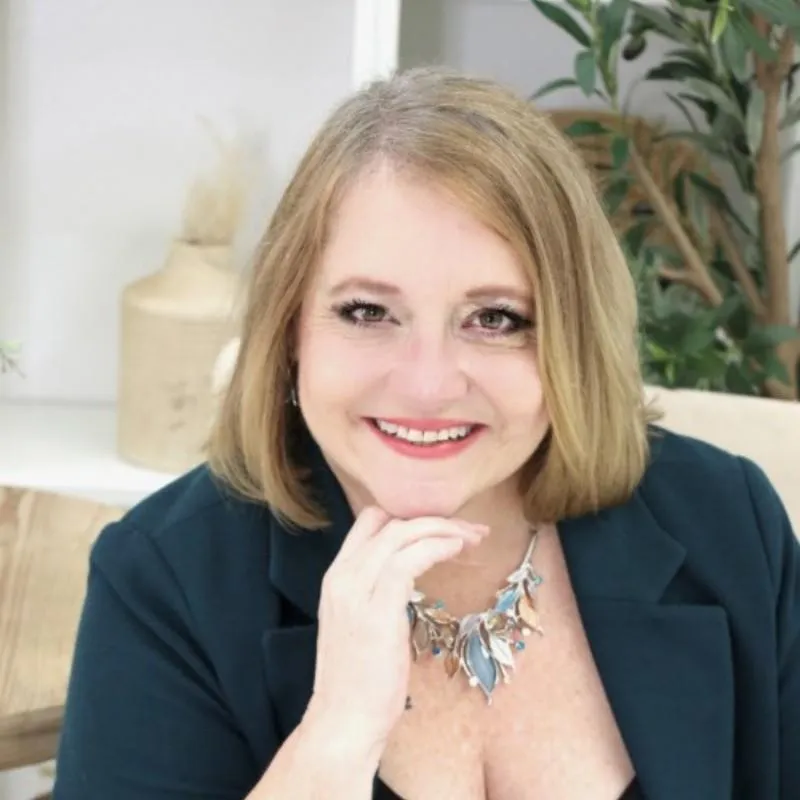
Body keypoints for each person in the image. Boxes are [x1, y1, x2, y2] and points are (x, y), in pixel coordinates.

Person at [53, 67, 799, 800]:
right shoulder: (162, 580)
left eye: (495, 318)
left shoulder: (731, 521)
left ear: (571, 339)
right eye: (368, 312)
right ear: (290, 329)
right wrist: (336, 736)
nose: (428, 385)